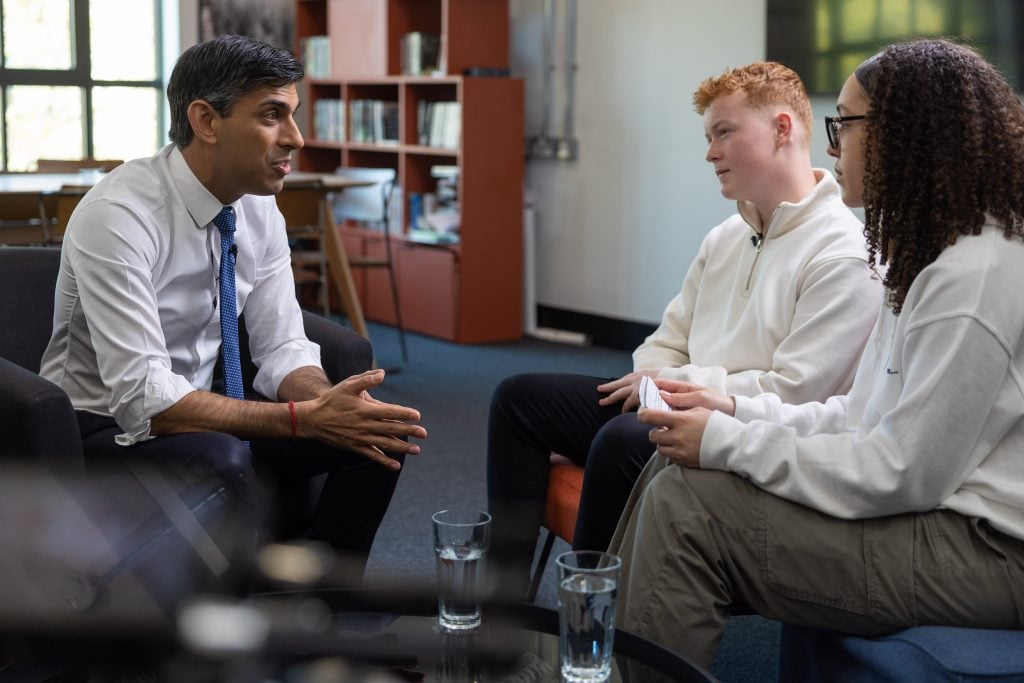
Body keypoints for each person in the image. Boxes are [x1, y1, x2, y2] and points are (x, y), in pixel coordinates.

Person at [613, 38, 1024, 674]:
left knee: (688, 505)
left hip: (988, 553)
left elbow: (901, 471)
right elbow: (857, 415)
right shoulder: (930, 254)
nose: (833, 146)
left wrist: (727, 441)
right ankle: (591, 659)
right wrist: (730, 413)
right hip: (941, 516)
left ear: (906, 135)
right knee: (673, 469)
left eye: (847, 125)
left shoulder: (976, 273)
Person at [39, 35, 427, 582]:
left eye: (292, 114)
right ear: (206, 121)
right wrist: (301, 419)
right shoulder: (118, 214)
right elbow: (144, 398)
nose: (294, 137)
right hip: (101, 428)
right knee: (220, 460)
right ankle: (234, 640)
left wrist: (327, 404)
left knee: (373, 437)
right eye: (272, 115)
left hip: (207, 409)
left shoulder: (259, 209)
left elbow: (282, 344)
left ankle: (325, 615)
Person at [487, 61, 882, 596]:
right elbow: (663, 340)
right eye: (708, 136)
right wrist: (656, 384)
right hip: (675, 399)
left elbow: (796, 392)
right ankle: (501, 612)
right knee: (519, 398)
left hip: (749, 430)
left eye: (725, 132)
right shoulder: (725, 236)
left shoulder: (842, 253)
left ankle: (584, 627)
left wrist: (682, 390)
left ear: (782, 129)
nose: (710, 152)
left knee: (626, 437)